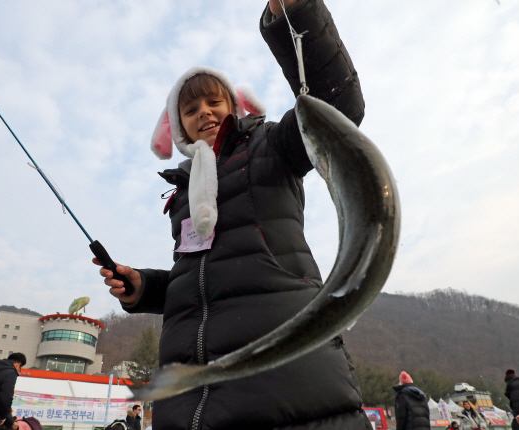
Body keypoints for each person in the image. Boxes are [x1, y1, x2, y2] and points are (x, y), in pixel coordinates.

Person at [94, 0, 367, 428]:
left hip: (286, 376)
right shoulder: (182, 190)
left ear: (232, 107)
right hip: (188, 397)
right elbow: (202, 280)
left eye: (212, 101)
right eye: (190, 109)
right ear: (179, 126)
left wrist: (295, 16)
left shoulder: (273, 146)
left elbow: (339, 106)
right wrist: (144, 287)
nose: (203, 111)